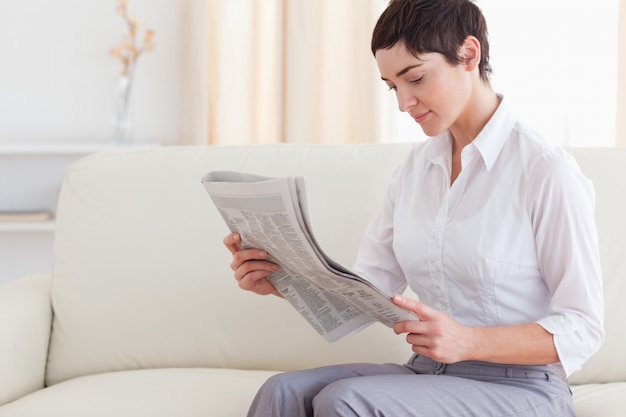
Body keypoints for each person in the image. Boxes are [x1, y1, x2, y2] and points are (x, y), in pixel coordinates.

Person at [223, 0, 605, 415]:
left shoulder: (545, 171)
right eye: (392, 86)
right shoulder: (414, 172)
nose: (404, 102)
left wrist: (469, 341)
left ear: (469, 54)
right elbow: (369, 289)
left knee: (345, 401)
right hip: (428, 374)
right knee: (282, 391)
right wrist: (283, 281)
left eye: (416, 78)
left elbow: (582, 328)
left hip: (526, 388)